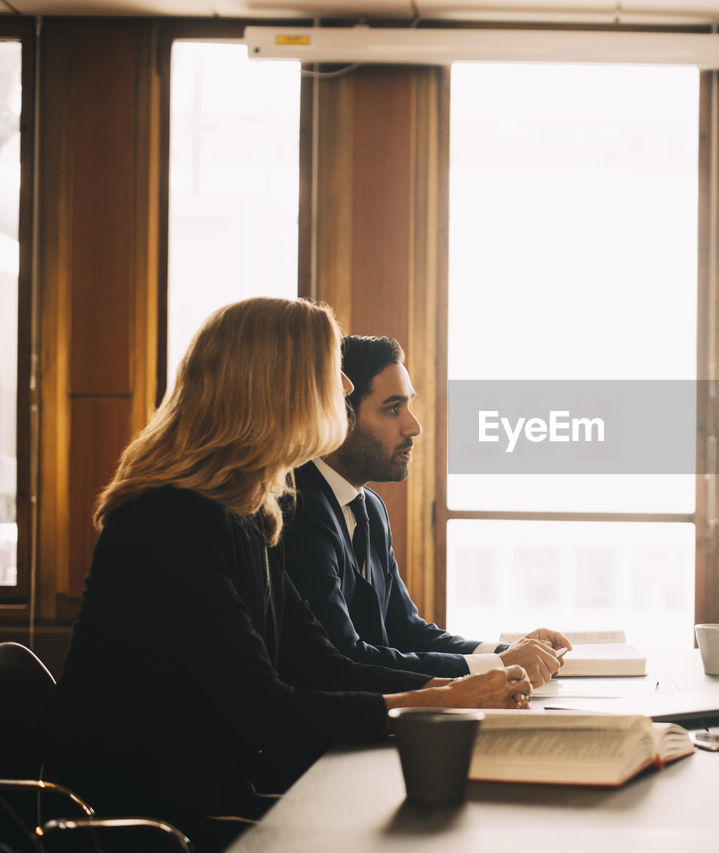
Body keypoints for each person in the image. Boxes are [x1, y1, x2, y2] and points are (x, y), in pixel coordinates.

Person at [41, 299, 533, 847]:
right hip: (152, 818)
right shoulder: (169, 517)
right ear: (276, 390)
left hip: (221, 788)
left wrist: (454, 688)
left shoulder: (250, 509)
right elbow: (266, 710)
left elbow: (319, 663)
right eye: (330, 371)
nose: (346, 388)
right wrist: (434, 702)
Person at [280, 335, 570, 687]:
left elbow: (406, 631)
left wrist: (510, 652)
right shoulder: (297, 505)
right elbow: (345, 656)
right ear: (340, 413)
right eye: (393, 408)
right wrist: (497, 665)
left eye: (408, 406)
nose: (413, 426)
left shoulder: (369, 505)